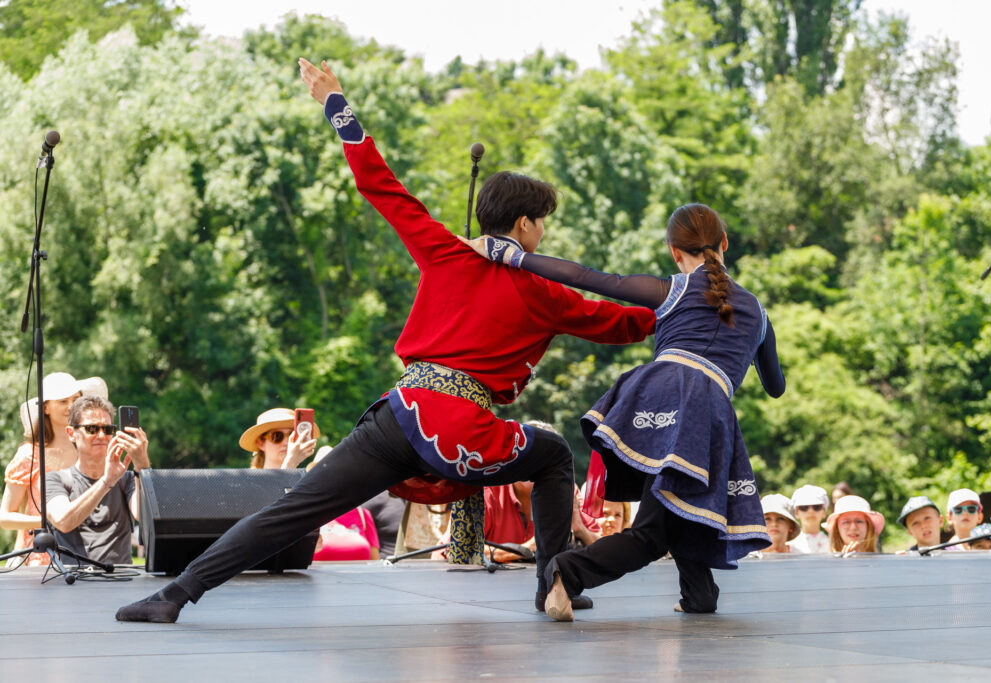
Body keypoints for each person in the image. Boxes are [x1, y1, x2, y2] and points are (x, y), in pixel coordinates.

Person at [114, 59, 655, 624]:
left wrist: (335, 103)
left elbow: (382, 185)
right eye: (541, 222)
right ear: (523, 225)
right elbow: (619, 322)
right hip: (458, 422)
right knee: (550, 456)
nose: (544, 232)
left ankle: (173, 596)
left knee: (295, 509)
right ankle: (552, 582)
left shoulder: (444, 250)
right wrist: (681, 314)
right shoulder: (543, 290)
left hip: (399, 413)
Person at [461, 201, 785, 621]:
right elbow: (775, 387)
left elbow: (585, 277)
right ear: (725, 242)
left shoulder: (671, 290)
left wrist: (510, 255)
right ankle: (567, 572)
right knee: (654, 532)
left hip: (657, 394)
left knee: (681, 508)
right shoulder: (757, 313)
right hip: (707, 412)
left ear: (674, 251)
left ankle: (698, 593)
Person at [0, 373, 105, 566]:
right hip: (38, 558)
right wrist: (48, 520)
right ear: (46, 407)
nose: (71, 406)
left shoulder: (91, 453)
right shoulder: (29, 455)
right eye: (63, 401)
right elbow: (4, 517)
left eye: (76, 399)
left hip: (85, 556)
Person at [45, 395, 150, 565]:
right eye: (92, 429)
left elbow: (143, 516)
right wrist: (107, 482)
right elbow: (63, 522)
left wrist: (142, 465)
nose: (101, 435)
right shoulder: (55, 479)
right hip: (74, 582)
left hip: (120, 580)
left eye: (108, 429)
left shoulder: (128, 478)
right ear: (71, 433)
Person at [241, 408, 319, 470]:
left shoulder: (304, 479)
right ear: (260, 443)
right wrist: (291, 462)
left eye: (292, 435)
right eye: (277, 436)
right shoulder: (251, 481)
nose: (286, 442)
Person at [787, 484, 830, 554]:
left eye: (817, 507)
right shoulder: (788, 545)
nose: (811, 511)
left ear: (824, 512)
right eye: (804, 507)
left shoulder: (833, 544)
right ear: (797, 512)